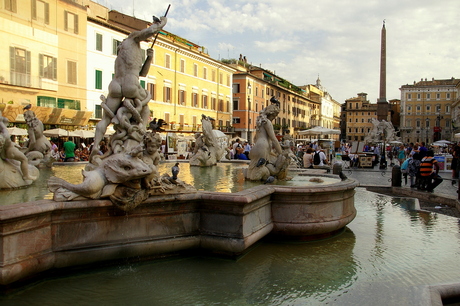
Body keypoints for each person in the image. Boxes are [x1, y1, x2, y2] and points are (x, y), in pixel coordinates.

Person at [90, 16, 167, 161]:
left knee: (105, 119)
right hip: (131, 83)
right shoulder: (132, 39)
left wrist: (149, 58)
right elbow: (150, 31)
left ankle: (95, 147)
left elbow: (142, 73)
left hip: (115, 85)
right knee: (144, 108)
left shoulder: (120, 56)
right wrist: (162, 23)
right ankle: (142, 129)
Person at [0, 111, 35, 180]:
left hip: (5, 152)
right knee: (24, 159)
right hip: (9, 151)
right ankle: (26, 176)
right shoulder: (4, 132)